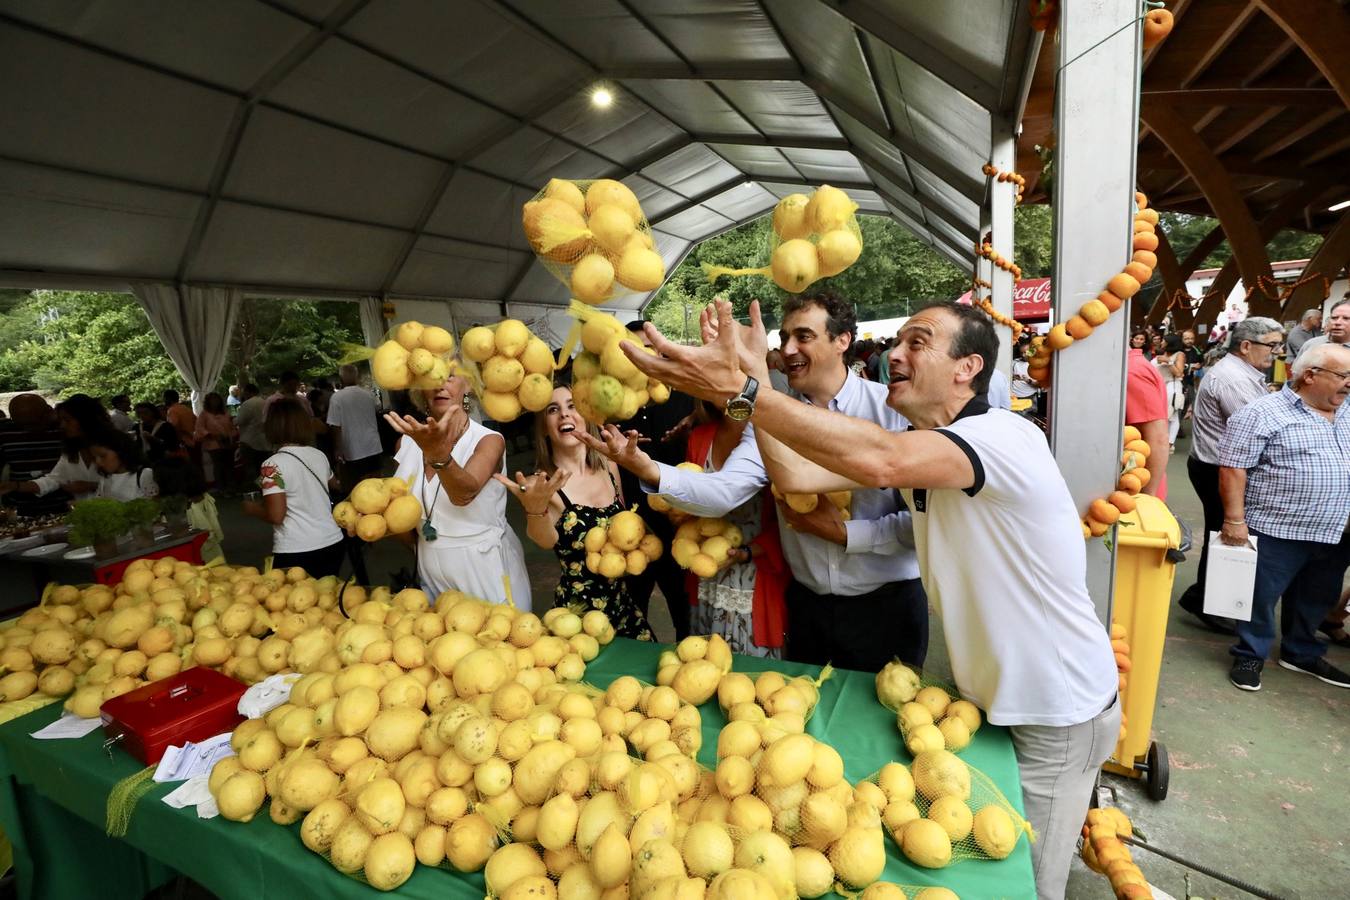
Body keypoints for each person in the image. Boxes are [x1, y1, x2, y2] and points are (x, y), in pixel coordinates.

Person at [624, 298, 1119, 900]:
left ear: (967, 368)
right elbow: (800, 478)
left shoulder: (1000, 435)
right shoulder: (927, 446)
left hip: (1054, 710)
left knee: (1026, 887)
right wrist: (750, 386)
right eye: (898, 341)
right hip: (991, 703)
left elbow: (880, 462)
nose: (895, 353)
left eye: (918, 341)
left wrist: (750, 391)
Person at [581, 399, 790, 657]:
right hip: (705, 573)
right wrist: (676, 515)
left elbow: (787, 518)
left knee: (756, 675)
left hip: (756, 576)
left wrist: (748, 551)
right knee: (702, 664)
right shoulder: (699, 437)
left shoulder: (771, 439)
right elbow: (689, 509)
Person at [1219, 342, 1350, 692]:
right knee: (1261, 595)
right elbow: (1234, 468)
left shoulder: (1349, 410)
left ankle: (1301, 651)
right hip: (1279, 526)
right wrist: (1234, 520)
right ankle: (1250, 653)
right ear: (1310, 376)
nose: (1349, 383)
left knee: (1318, 595)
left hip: (1337, 529)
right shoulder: (1261, 413)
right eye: (1343, 376)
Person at [498, 385, 652, 639]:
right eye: (553, 410)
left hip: (624, 607)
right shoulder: (543, 484)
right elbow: (544, 540)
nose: (564, 415)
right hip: (578, 618)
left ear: (586, 417)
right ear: (544, 428)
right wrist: (535, 510)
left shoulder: (609, 467)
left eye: (572, 406)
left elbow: (625, 525)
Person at [384, 374, 530, 609]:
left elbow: (463, 494)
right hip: (430, 569)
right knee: (446, 643)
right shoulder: (406, 443)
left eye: (449, 376)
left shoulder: (488, 440)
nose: (440, 384)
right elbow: (399, 512)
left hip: (484, 567)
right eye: (431, 376)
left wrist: (438, 456)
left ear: (468, 384)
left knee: (501, 639)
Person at [1176, 317, 1283, 632]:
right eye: (1272, 345)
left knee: (1223, 534)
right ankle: (1205, 600)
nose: (1277, 352)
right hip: (1218, 469)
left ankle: (1203, 597)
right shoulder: (1233, 379)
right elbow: (1259, 428)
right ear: (1247, 346)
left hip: (1217, 466)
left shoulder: (1243, 373)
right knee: (1226, 533)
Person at [614, 319, 696, 639]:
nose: (643, 358)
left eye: (650, 349)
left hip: (679, 525)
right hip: (631, 527)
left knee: (685, 611)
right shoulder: (614, 408)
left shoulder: (687, 400)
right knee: (633, 611)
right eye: (635, 351)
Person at [243, 397, 346, 577]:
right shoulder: (318, 455)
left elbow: (277, 515)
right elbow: (334, 485)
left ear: (271, 427)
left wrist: (253, 509)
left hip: (297, 549)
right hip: (332, 542)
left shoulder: (271, 465)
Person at [0, 394, 110, 510]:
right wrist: (15, 486)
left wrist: (92, 486)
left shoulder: (115, 447)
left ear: (87, 420)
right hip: (86, 515)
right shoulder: (71, 450)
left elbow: (126, 485)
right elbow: (54, 479)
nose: (62, 426)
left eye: (67, 420)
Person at [1125, 335, 1170, 499]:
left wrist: (1148, 497)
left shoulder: (1131, 371)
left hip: (1138, 490)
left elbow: (1158, 439)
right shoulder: (1132, 366)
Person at [327, 364, 385, 489]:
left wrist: (338, 448)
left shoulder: (337, 398)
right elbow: (378, 408)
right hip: (373, 444)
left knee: (360, 486)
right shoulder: (368, 394)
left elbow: (335, 425)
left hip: (353, 448)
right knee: (378, 482)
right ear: (357, 377)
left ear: (341, 379)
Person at [91, 430, 158, 500]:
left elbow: (154, 506)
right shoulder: (105, 478)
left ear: (120, 451)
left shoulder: (144, 475)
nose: (97, 462)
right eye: (94, 457)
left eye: (102, 456)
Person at [194, 392, 237, 491]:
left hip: (227, 443)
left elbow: (232, 427)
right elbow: (199, 428)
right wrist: (210, 434)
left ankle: (232, 487)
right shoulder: (204, 414)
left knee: (229, 466)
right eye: (212, 400)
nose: (215, 402)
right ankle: (222, 488)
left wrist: (232, 436)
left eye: (216, 400)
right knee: (219, 467)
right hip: (213, 445)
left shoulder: (225, 413)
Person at [1155, 334, 1186, 448]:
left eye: (1164, 340)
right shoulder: (1164, 353)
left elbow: (1179, 373)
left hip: (1173, 386)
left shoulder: (1179, 354)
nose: (1161, 342)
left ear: (1170, 342)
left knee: (1172, 414)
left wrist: (1168, 362)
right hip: (1161, 386)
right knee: (1163, 414)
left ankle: (1170, 443)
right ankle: (1164, 439)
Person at [234, 383, 270, 478]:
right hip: (264, 440)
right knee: (264, 468)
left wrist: (233, 420)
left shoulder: (248, 403)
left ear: (247, 392)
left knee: (251, 469)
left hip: (249, 441)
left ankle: (255, 489)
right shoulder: (265, 402)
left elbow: (240, 420)